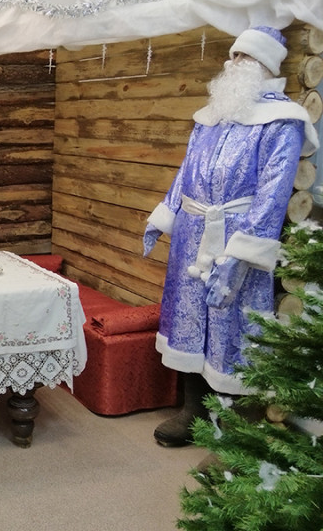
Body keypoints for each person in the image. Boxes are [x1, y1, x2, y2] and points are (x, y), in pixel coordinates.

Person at [142, 26, 318, 446]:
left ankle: (236, 423)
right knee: (189, 319)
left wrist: (242, 253)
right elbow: (186, 171)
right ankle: (192, 413)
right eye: (233, 55)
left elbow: (274, 194)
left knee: (233, 325)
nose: (232, 63)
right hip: (192, 233)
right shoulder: (210, 117)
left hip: (238, 234)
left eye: (244, 57)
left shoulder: (283, 121)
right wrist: (164, 215)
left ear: (264, 65)